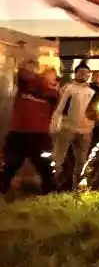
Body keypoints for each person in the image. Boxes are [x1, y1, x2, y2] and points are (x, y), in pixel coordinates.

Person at [2, 60, 60, 195]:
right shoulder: (23, 86)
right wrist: (37, 74)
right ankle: (3, 190)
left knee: (45, 165)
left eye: (53, 75)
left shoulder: (53, 93)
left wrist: (40, 78)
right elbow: (22, 75)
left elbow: (47, 92)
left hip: (39, 135)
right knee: (10, 164)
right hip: (18, 133)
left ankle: (49, 192)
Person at [51, 62, 96, 190]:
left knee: (81, 161)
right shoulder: (68, 88)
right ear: (75, 74)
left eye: (86, 73)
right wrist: (54, 125)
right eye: (81, 72)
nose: (84, 75)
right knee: (58, 159)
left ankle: (77, 187)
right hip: (67, 128)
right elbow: (60, 107)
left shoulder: (92, 91)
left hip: (86, 130)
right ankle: (54, 185)